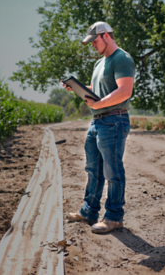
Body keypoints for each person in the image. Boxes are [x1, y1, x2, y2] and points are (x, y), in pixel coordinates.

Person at [62, 21, 135, 234]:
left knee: (112, 170)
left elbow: (124, 91)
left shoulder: (121, 58)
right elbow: (98, 89)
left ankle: (114, 217)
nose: (93, 45)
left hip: (114, 120)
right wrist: (78, 88)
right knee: (93, 169)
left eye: (95, 41)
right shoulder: (100, 63)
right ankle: (88, 211)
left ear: (105, 36)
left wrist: (97, 104)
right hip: (97, 122)